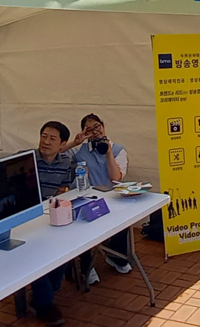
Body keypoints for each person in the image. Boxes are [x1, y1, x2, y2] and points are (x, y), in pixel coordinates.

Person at [64, 114, 129, 283]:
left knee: (125, 217)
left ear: (103, 126)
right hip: (85, 197)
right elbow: (54, 155)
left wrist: (107, 152)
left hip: (110, 197)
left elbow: (116, 177)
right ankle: (87, 266)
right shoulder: (79, 149)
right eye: (89, 130)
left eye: (97, 127)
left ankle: (116, 257)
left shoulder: (118, 150)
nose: (95, 132)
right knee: (82, 223)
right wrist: (76, 142)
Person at [30, 121, 74, 325]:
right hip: (27, 217)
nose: (45, 142)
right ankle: (43, 304)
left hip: (51, 213)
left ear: (62, 144)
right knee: (36, 256)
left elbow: (64, 190)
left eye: (52, 139)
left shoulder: (67, 162)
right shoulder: (26, 159)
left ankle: (48, 290)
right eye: (43, 136)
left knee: (66, 246)